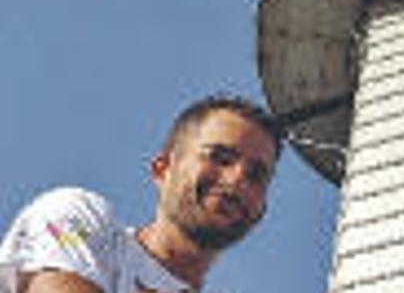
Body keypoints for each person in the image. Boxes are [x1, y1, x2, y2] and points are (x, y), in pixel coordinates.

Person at [0, 96, 283, 293]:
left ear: (261, 212)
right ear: (163, 169)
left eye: (256, 176)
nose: (236, 180)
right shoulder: (76, 217)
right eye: (219, 157)